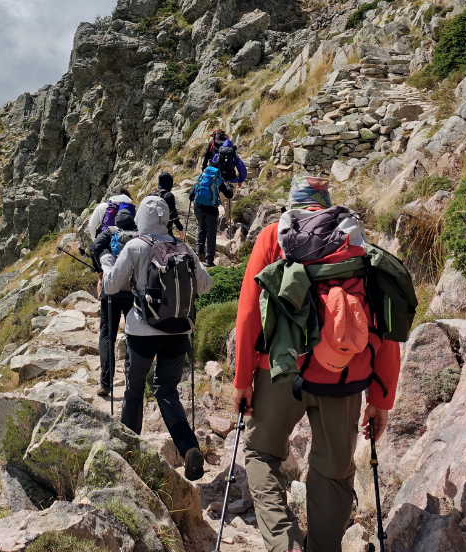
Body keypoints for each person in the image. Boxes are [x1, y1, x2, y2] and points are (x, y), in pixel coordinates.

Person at [232, 176, 402, 552]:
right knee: (334, 473)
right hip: (344, 373)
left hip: (279, 370)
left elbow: (248, 313)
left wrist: (242, 378)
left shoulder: (274, 236)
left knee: (261, 455)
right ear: (327, 205)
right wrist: (381, 399)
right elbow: (383, 323)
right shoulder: (356, 241)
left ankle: (284, 545)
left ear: (293, 203)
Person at [101, 195, 214, 481]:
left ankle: (128, 453)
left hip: (142, 332)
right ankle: (189, 448)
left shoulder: (136, 246)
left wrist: (106, 262)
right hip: (179, 332)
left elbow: (111, 286)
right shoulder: (184, 247)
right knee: (166, 391)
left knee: (134, 390)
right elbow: (206, 285)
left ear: (142, 218)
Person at [91, 205, 138, 399]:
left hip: (111, 292)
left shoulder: (110, 232)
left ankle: (106, 383)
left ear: (116, 222)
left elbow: (94, 248)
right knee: (133, 335)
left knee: (107, 336)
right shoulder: (138, 236)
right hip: (133, 293)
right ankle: (132, 381)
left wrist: (99, 271)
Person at [191, 162, 226, 267]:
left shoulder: (201, 177)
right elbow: (229, 194)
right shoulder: (218, 179)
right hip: (211, 210)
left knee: (201, 229)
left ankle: (198, 254)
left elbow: (190, 195)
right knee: (211, 234)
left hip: (198, 208)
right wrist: (228, 187)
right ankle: (209, 261)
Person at [153, 172, 185, 240]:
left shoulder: (154, 194)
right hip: (165, 232)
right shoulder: (169, 196)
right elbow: (173, 214)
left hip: (152, 230)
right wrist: (180, 228)